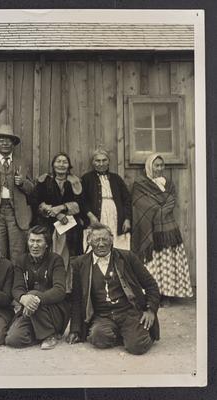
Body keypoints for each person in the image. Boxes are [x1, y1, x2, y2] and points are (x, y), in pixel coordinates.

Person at [66, 223, 160, 355]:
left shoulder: (127, 257)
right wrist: (75, 330)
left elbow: (151, 285)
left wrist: (151, 310)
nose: (101, 244)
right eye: (96, 240)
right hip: (102, 316)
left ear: (111, 239)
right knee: (97, 337)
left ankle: (135, 333)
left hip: (129, 313)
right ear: (88, 241)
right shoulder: (79, 264)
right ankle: (124, 333)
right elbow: (76, 298)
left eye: (105, 239)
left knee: (137, 347)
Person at [131, 153, 193, 301]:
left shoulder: (169, 183)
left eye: (161, 165)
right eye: (156, 165)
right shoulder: (140, 184)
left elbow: (171, 200)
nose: (159, 168)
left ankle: (167, 295)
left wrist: (160, 211)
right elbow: (140, 203)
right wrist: (158, 210)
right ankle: (153, 296)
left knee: (168, 264)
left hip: (168, 229)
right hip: (150, 230)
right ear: (149, 166)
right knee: (152, 264)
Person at [5, 225, 69, 350]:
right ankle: (42, 334)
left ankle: (49, 334)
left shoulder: (56, 260)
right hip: (30, 309)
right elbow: (17, 288)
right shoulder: (21, 261)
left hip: (53, 310)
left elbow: (60, 290)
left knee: (34, 293)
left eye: (39, 241)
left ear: (46, 244)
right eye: (32, 241)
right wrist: (23, 298)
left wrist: (36, 298)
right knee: (13, 340)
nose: (35, 245)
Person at [0, 124, 34, 262]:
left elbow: (32, 190)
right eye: (2, 140)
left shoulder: (22, 162)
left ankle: (18, 283)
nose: (5, 143)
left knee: (18, 253)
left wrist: (22, 183)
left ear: (13, 143)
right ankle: (1, 282)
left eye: (8, 140)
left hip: (17, 214)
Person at [32, 152, 83, 268]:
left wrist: (62, 207)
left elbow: (80, 204)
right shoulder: (44, 181)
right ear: (53, 165)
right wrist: (55, 214)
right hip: (47, 224)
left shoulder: (75, 182)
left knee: (68, 258)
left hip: (70, 226)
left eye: (64, 162)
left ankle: (67, 284)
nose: (61, 165)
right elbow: (36, 201)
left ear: (69, 165)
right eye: (58, 161)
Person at [81, 149, 132, 250]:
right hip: (96, 217)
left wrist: (127, 219)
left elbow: (127, 200)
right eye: (98, 161)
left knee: (117, 243)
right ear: (93, 162)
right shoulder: (87, 179)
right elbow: (82, 201)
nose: (101, 163)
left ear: (108, 162)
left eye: (104, 160)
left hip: (116, 217)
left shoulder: (116, 178)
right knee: (97, 241)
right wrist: (90, 216)